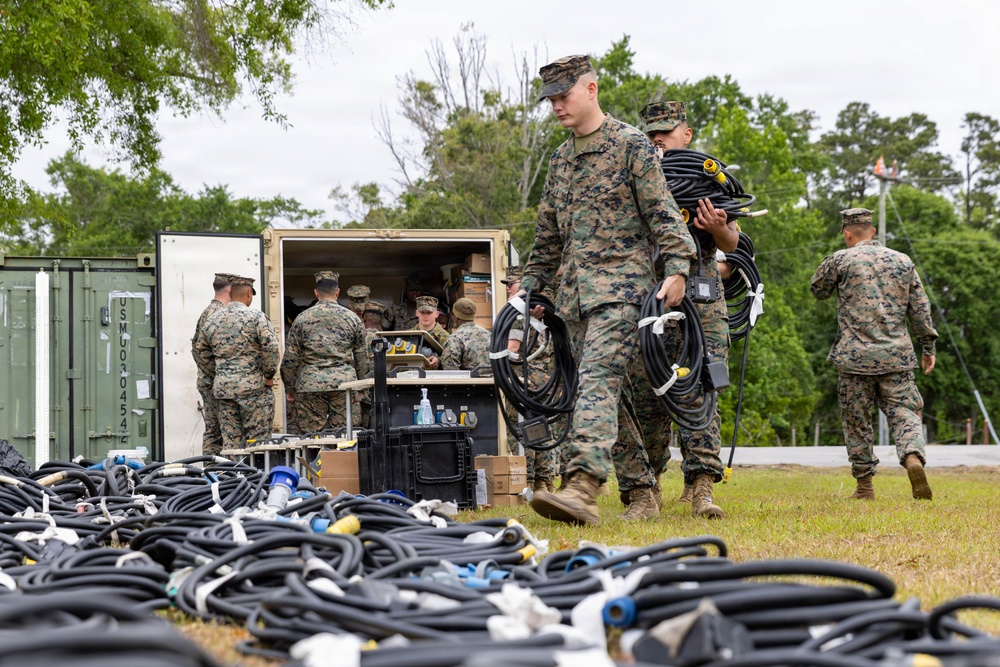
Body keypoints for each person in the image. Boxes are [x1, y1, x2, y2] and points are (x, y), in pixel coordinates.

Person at [519, 55, 696, 526]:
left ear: (592, 89)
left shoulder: (630, 145)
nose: (557, 106)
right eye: (551, 99)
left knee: (597, 380)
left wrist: (678, 268)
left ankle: (581, 486)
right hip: (573, 299)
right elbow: (548, 239)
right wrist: (528, 290)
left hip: (622, 291)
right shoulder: (560, 160)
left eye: (564, 95)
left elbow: (663, 214)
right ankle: (641, 491)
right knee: (604, 398)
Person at [611, 100, 738, 520]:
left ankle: (701, 487)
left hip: (701, 304)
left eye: (667, 130)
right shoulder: (632, 177)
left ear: (686, 134)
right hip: (648, 299)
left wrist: (716, 227)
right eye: (651, 132)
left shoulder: (705, 180)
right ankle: (648, 489)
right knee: (645, 389)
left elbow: (733, 244)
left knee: (701, 389)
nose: (658, 138)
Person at [810, 208, 937, 501]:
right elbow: (920, 308)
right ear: (873, 232)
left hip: (853, 359)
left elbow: (817, 290)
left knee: (857, 421)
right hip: (896, 357)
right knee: (904, 413)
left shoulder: (841, 259)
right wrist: (927, 346)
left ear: (847, 234)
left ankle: (865, 487)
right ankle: (912, 457)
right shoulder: (903, 261)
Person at [195, 276, 280, 450]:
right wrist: (268, 375)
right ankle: (256, 476)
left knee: (231, 442)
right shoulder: (257, 317)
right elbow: (271, 348)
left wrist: (218, 373)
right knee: (258, 442)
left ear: (231, 294)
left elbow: (200, 352)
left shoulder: (213, 320)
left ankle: (231, 475)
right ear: (249, 293)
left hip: (224, 391)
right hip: (254, 390)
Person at [280, 271, 370, 434]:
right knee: (344, 434)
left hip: (311, 385)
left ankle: (315, 459)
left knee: (312, 436)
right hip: (344, 385)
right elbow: (362, 357)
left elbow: (290, 359)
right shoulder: (352, 319)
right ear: (337, 292)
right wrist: (362, 386)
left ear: (316, 292)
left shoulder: (302, 319)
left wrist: (290, 388)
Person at [502, 266, 562, 493]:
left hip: (522, 380)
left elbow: (512, 350)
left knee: (521, 429)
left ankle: (526, 479)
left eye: (512, 284)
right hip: (545, 380)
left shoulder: (518, 314)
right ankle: (544, 481)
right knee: (541, 428)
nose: (508, 289)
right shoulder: (547, 312)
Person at [191, 272, 235, 456]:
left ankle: (211, 472)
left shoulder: (208, 312)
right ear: (231, 289)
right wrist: (219, 374)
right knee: (221, 431)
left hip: (209, 381)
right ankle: (220, 473)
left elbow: (196, 347)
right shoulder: (218, 314)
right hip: (214, 383)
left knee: (213, 430)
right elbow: (199, 351)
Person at [440, 298, 490, 371]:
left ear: (455, 317)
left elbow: (450, 369)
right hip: (492, 381)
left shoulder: (455, 338)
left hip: (470, 381)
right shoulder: (489, 334)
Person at [414, 295, 449, 370]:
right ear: (417, 313)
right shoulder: (409, 334)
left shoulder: (445, 336)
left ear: (436, 314)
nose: (425, 316)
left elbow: (450, 359)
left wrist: (438, 360)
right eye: (422, 312)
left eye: (429, 312)